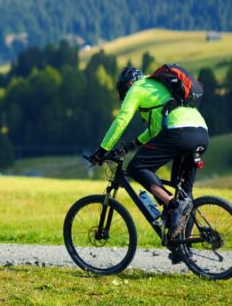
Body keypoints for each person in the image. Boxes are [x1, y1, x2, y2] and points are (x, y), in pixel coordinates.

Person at [88, 66, 209, 260]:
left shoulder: (137, 88)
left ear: (127, 85)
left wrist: (103, 150)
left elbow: (122, 119)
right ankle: (183, 246)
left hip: (179, 132)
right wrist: (130, 146)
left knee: (137, 168)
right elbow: (154, 130)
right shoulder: (160, 89)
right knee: (185, 192)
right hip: (201, 132)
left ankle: (171, 204)